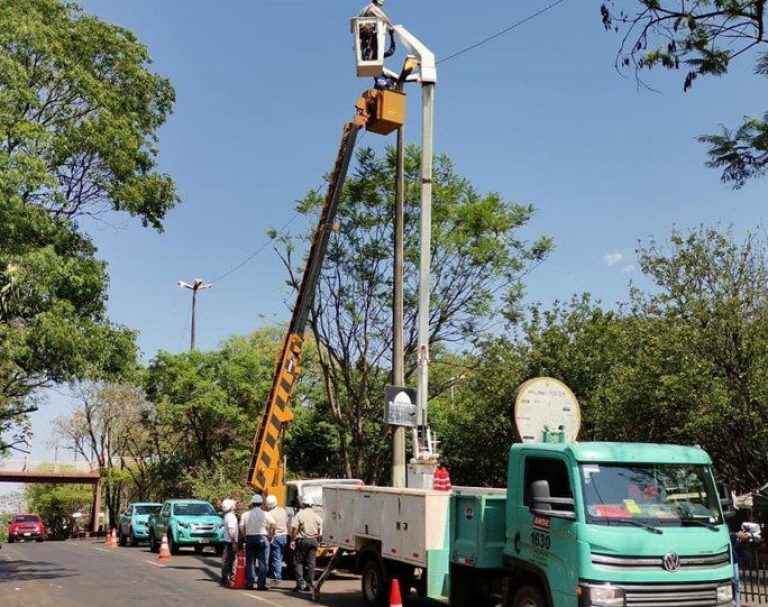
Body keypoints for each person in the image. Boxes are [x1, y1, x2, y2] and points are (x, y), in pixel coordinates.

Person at [240, 494, 275, 591]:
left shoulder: (245, 514)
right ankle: (261, 584)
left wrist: (244, 537)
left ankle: (250, 583)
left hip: (250, 538)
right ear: (261, 503)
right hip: (262, 537)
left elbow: (241, 527)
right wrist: (271, 535)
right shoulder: (266, 514)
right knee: (263, 562)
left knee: (250, 562)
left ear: (252, 503)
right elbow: (273, 524)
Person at [290, 494, 322, 592]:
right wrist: (318, 543)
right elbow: (320, 531)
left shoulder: (300, 514)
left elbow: (295, 529)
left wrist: (292, 540)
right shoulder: (317, 516)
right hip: (314, 540)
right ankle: (310, 585)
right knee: (311, 563)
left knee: (297, 561)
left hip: (303, 540)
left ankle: (300, 584)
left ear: (303, 504)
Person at [265, 494, 289, 585]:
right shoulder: (283, 511)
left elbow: (270, 527)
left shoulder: (269, 514)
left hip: (276, 536)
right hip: (284, 536)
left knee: (276, 558)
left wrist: (270, 537)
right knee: (280, 557)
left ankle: (277, 578)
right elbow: (286, 521)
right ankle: (276, 575)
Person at [220, 499, 239, 587]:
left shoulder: (227, 515)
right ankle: (231, 578)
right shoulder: (231, 516)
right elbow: (231, 530)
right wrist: (234, 541)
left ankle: (224, 577)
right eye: (233, 504)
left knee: (226, 560)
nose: (234, 505)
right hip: (230, 541)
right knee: (232, 560)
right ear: (230, 507)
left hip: (227, 540)